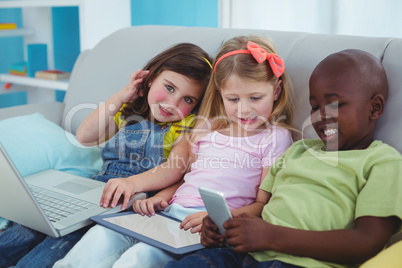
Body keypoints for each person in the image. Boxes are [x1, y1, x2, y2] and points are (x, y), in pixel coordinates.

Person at [54, 35, 295, 268]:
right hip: (167, 213)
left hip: (204, 226)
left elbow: (263, 204)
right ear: (220, 96)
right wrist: (162, 198)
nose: (244, 109)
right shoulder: (205, 127)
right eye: (233, 99)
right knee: (100, 238)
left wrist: (219, 219)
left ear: (276, 91)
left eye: (255, 97)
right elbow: (182, 175)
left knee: (137, 258)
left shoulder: (275, 138)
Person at [166, 49, 402, 268]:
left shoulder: (383, 162)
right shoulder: (298, 150)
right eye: (314, 106)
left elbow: (366, 243)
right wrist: (221, 228)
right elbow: (262, 207)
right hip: (243, 254)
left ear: (375, 108)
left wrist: (271, 237)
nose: (320, 116)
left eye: (335, 104)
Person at [0, 42, 213, 268]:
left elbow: (175, 168)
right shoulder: (127, 112)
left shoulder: (185, 126)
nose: (173, 103)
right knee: (28, 230)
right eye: (169, 88)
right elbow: (84, 136)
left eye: (188, 99)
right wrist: (122, 96)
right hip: (96, 190)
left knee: (54, 248)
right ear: (150, 78)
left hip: (131, 201)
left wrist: (132, 183)